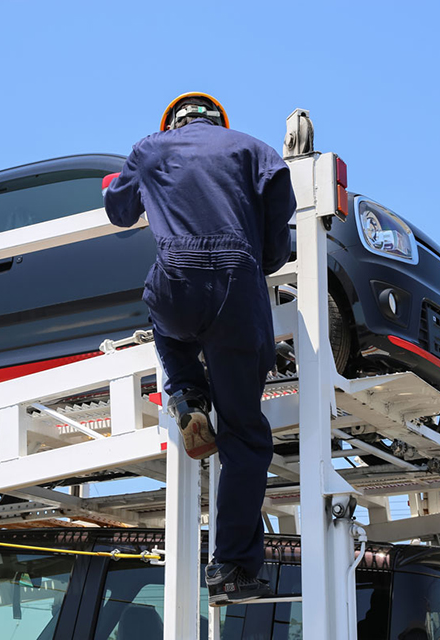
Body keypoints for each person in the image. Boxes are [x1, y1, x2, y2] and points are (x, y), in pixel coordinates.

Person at [103, 92, 296, 606]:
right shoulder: (255, 151)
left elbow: (118, 211)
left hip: (178, 279)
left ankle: (187, 393)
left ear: (172, 122)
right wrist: (266, 257)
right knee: (245, 435)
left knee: (163, 317)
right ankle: (231, 567)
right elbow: (280, 224)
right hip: (239, 289)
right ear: (219, 121)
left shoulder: (150, 149)